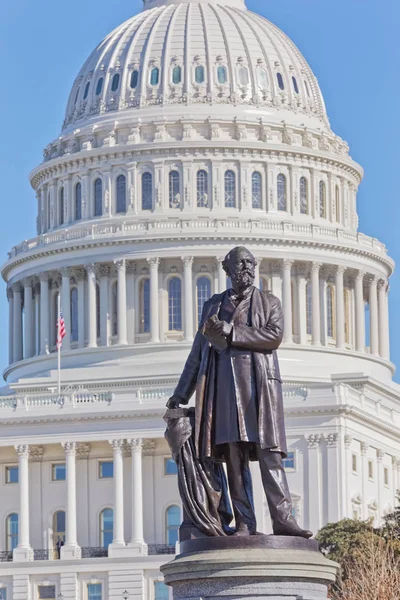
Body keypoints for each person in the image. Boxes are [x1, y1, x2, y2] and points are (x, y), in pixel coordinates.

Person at [167, 246, 312, 538]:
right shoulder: (213, 306)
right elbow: (197, 353)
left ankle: (283, 519)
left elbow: (273, 336)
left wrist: (230, 331)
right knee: (234, 459)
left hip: (259, 390)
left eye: (250, 262)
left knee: (270, 456)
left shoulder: (269, 301)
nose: (246, 267)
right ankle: (246, 523)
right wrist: (180, 394)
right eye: (239, 263)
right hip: (223, 392)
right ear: (227, 269)